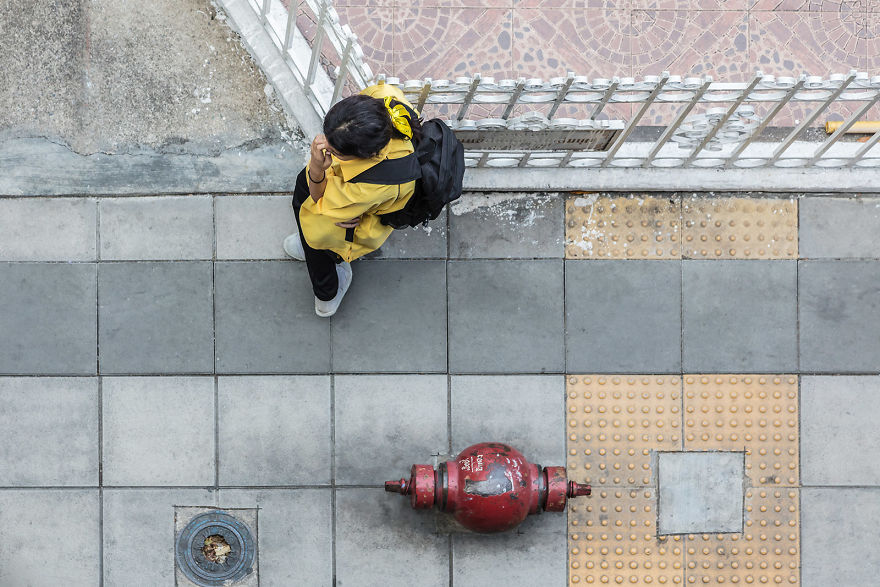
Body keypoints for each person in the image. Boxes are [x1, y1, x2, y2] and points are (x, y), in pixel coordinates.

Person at [283, 83, 421, 317]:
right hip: (341, 200)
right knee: (303, 208)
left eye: (335, 150)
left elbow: (321, 200)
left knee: (320, 244)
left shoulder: (370, 186)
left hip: (341, 215)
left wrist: (317, 167)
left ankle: (327, 293)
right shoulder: (385, 99)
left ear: (365, 156)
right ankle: (310, 248)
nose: (323, 144)